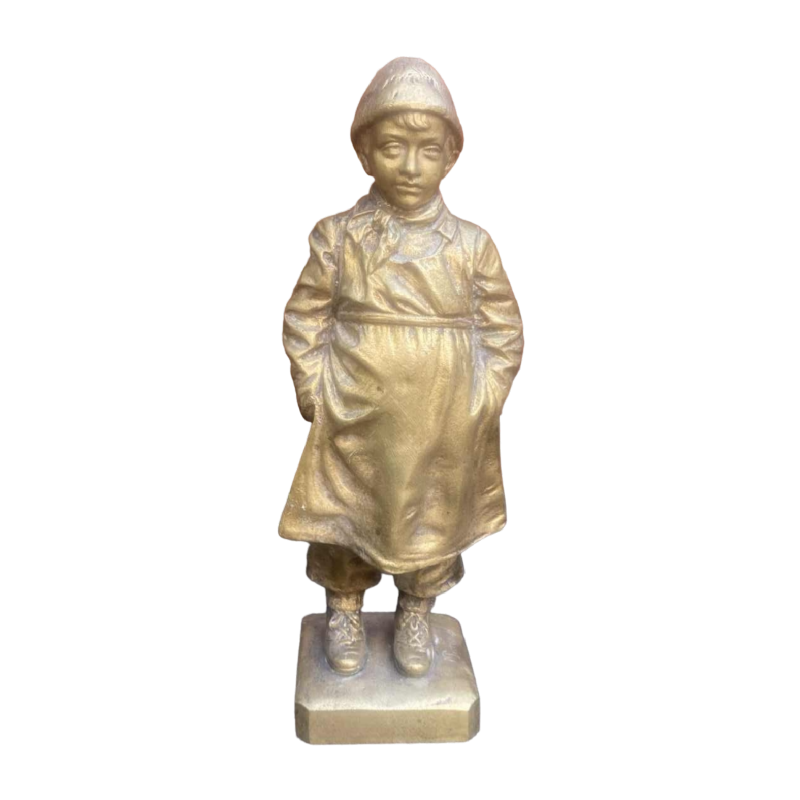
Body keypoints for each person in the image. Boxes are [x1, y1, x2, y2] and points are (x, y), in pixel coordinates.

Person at [278, 55, 524, 678]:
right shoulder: (338, 237)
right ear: (364, 154)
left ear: (452, 156)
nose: (410, 167)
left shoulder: (472, 244)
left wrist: (482, 399)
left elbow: (503, 329)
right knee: (345, 517)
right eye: (392, 148)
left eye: (427, 150)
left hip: (444, 419)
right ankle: (344, 609)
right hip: (355, 412)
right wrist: (316, 393)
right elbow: (306, 318)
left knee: (432, 519)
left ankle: (417, 609)